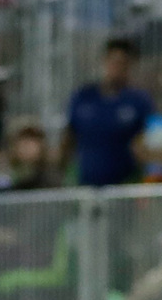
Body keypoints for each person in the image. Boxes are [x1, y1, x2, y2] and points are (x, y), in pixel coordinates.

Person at [61, 38, 153, 188]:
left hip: (125, 188)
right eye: (113, 61)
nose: (116, 67)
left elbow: (151, 143)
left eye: (123, 63)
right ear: (104, 61)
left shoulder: (140, 101)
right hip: (87, 187)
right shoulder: (83, 97)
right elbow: (68, 139)